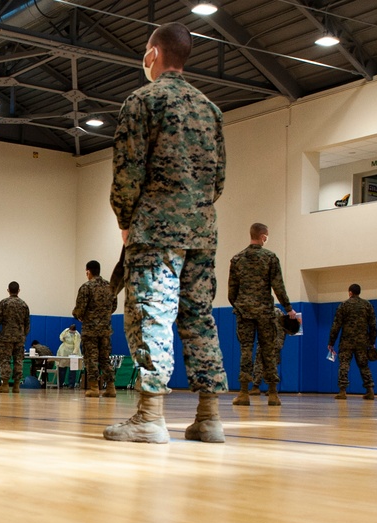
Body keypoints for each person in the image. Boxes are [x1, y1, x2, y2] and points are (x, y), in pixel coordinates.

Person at [105, 22, 229, 444]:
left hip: (155, 229)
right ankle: (209, 417)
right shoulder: (210, 109)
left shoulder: (143, 101)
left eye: (145, 52)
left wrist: (125, 221)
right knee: (198, 318)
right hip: (202, 230)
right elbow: (219, 181)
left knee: (151, 316)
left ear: (154, 54)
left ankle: (150, 417)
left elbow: (128, 174)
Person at [228, 223, 297, 407]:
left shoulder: (237, 259)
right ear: (264, 237)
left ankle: (243, 393)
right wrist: (288, 308)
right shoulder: (270, 258)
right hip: (266, 312)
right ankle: (273, 394)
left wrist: (241, 306)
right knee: (268, 350)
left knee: (246, 350)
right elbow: (278, 286)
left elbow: (231, 291)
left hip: (244, 312)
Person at [73, 260, 117, 398]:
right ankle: (111, 387)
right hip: (105, 329)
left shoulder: (86, 287)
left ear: (88, 271)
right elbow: (113, 307)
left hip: (90, 330)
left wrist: (77, 315)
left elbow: (80, 309)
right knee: (105, 358)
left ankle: (94, 387)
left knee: (91, 358)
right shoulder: (110, 287)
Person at [328, 283, 377, 400]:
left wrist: (331, 342)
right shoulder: (367, 305)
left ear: (350, 292)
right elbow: (373, 325)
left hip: (347, 342)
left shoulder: (344, 305)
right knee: (364, 366)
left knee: (344, 365)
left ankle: (342, 391)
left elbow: (336, 325)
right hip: (362, 342)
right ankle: (370, 390)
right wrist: (372, 341)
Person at [0, 281, 30, 394]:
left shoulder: (3, 304)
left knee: (5, 360)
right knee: (18, 361)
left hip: (5, 338)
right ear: (19, 290)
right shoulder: (24, 305)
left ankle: (5, 385)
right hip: (19, 338)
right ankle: (16, 386)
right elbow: (27, 323)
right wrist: (23, 335)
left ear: (8, 290)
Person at [56, 324, 81, 388]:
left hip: (72, 351)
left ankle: (71, 384)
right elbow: (61, 337)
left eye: (73, 331)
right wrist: (63, 338)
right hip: (64, 351)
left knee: (72, 369)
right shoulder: (66, 331)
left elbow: (77, 345)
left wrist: (74, 353)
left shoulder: (77, 335)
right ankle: (60, 383)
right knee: (62, 368)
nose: (71, 332)